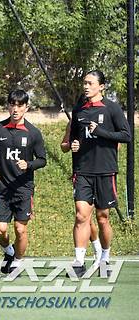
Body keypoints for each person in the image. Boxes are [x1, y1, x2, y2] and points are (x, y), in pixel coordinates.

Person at [69, 70, 130, 277]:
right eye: (84, 83)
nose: (86, 86)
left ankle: (105, 256)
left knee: (102, 218)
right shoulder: (78, 109)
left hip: (105, 171)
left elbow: (126, 135)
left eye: (90, 83)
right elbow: (74, 138)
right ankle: (78, 261)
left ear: (101, 86)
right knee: (81, 215)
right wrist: (74, 145)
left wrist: (101, 132)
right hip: (83, 171)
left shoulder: (112, 108)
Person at [0, 89, 46, 275]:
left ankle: (18, 261)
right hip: (2, 188)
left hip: (23, 189)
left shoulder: (33, 133)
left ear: (26, 108)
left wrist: (29, 164)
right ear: (8, 106)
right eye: (12, 105)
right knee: (0, 230)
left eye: (20, 105)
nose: (15, 109)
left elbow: (42, 159)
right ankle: (9, 252)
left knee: (20, 229)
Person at [60, 117, 103, 268]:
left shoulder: (104, 118)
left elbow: (116, 146)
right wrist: (71, 144)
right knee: (82, 215)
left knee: (98, 217)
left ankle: (101, 251)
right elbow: (64, 146)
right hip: (81, 174)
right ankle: (81, 259)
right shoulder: (74, 121)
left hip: (101, 173)